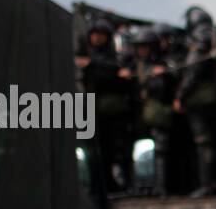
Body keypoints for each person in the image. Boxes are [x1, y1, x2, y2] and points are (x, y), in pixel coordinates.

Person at [75, 16, 135, 192]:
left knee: (118, 150)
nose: (97, 38)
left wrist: (93, 65)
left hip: (113, 111)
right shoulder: (85, 56)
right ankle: (101, 185)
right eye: (94, 34)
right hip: (91, 111)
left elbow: (117, 71)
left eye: (101, 35)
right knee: (96, 153)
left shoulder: (114, 56)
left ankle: (123, 184)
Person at [174, 6, 216, 196]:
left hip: (200, 99)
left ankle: (207, 185)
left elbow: (193, 69)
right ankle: (213, 183)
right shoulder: (211, 35)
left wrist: (181, 95)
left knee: (203, 142)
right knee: (211, 142)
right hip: (209, 98)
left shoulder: (200, 38)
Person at [128, 26, 175, 195]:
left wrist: (161, 76)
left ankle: (160, 187)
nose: (142, 50)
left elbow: (168, 89)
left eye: (145, 46)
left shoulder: (164, 65)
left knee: (161, 151)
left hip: (158, 113)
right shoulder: (134, 66)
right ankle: (138, 187)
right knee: (136, 151)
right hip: (140, 115)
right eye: (139, 47)